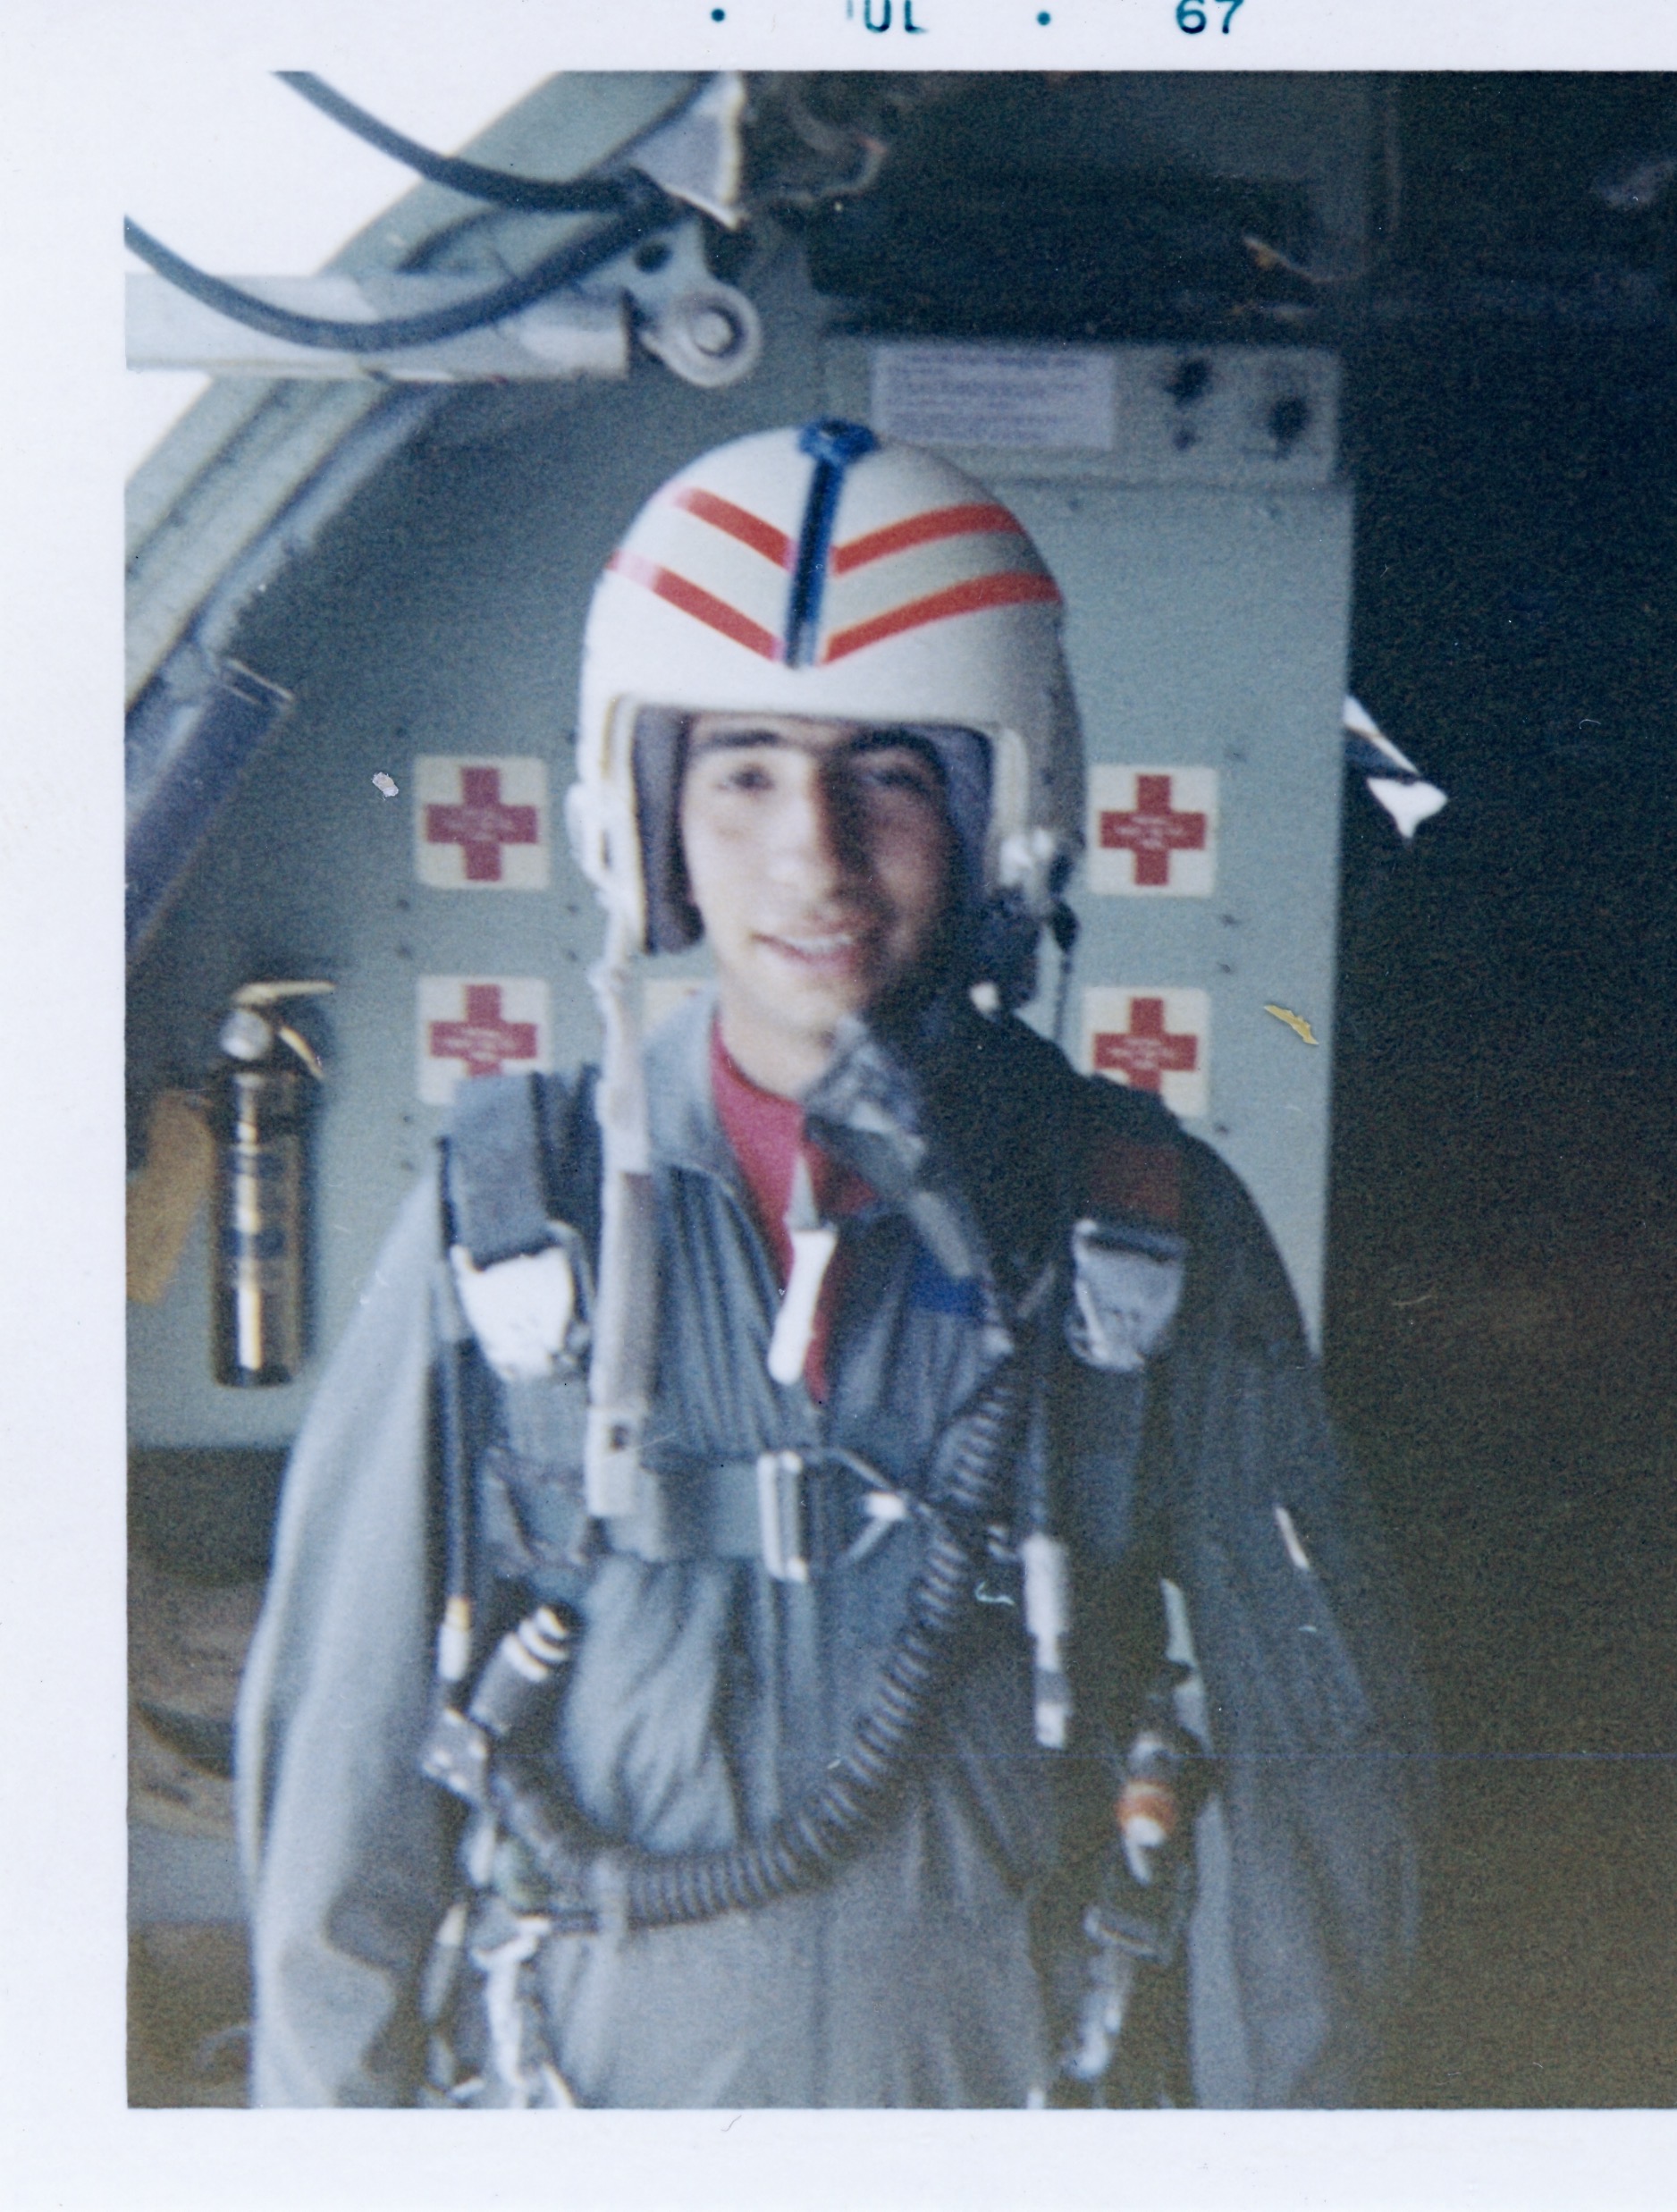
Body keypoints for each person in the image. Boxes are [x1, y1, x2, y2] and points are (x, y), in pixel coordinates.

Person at [235, 418, 1428, 2108]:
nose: (812, 847)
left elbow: (1322, 1778)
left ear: (999, 812)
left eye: (885, 773)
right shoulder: (511, 1216)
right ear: (645, 815)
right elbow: (339, 1784)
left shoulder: (1147, 1221)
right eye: (742, 771)